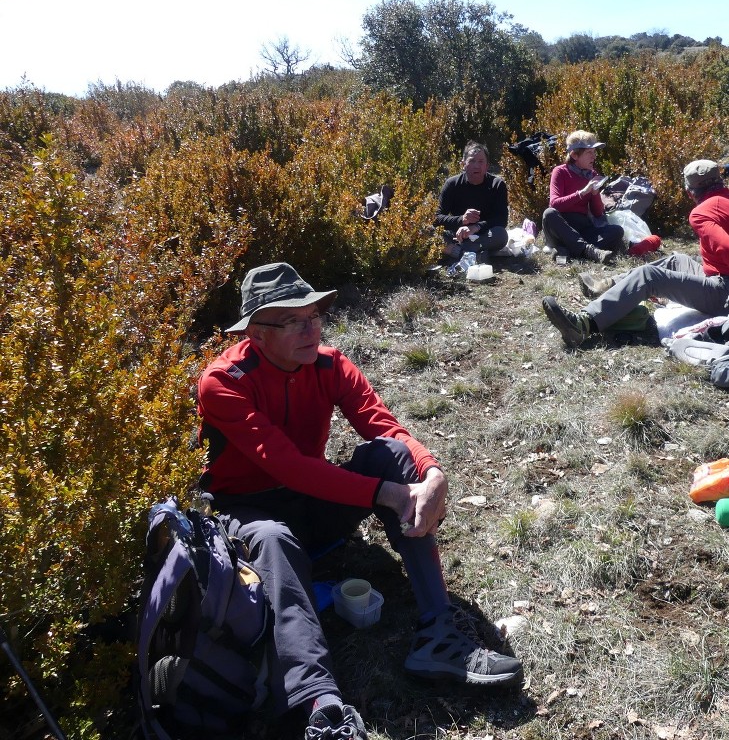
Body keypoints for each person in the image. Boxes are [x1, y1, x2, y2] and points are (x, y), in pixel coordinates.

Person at [197, 263, 522, 740]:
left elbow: (384, 427)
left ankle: (439, 631)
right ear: (257, 334)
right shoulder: (224, 382)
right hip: (249, 512)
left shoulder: (329, 364)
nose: (311, 329)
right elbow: (285, 464)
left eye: (314, 315)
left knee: (390, 455)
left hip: (313, 503)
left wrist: (431, 473)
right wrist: (385, 493)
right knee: (272, 537)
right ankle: (319, 706)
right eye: (293, 321)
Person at [541, 160, 729, 347]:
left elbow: (727, 248)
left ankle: (584, 325)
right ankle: (610, 285)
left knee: (649, 275)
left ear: (690, 191)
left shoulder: (701, 213)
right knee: (678, 259)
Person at [541, 130, 624, 264]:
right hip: (561, 227)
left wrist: (595, 193)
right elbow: (554, 204)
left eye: (594, 152)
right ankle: (588, 251)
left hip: (582, 229)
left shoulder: (591, 175)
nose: (594, 157)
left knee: (617, 231)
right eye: (589, 152)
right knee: (549, 213)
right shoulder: (560, 172)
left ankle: (567, 250)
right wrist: (582, 193)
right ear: (574, 155)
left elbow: (597, 213)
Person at [435, 141, 509, 261]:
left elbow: (501, 219)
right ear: (463, 164)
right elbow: (436, 217)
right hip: (457, 235)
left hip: (484, 234)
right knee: (425, 230)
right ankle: (471, 254)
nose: (476, 166)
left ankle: (458, 252)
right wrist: (461, 220)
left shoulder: (497, 185)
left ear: (487, 166)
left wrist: (476, 227)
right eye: (472, 161)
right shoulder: (452, 184)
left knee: (501, 234)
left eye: (481, 162)